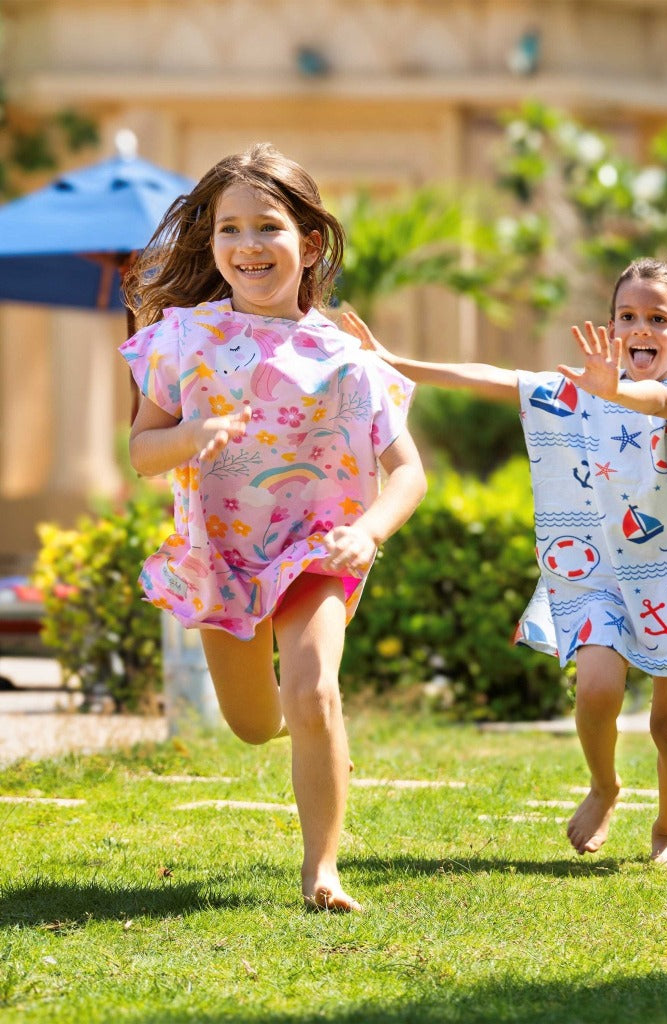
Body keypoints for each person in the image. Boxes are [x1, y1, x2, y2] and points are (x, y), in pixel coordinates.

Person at [344, 257, 667, 864]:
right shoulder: (577, 391)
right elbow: (494, 377)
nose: (640, 329)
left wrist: (618, 390)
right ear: (610, 325)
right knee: (597, 687)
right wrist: (395, 362)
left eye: (658, 318)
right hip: (598, 574)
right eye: (627, 316)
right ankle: (604, 785)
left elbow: (665, 406)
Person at [119, 144, 426, 911]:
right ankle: (303, 735)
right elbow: (140, 454)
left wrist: (371, 533)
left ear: (309, 242)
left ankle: (322, 870)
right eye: (229, 230)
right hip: (220, 551)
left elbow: (409, 472)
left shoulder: (348, 358)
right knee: (257, 725)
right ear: (212, 243)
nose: (248, 246)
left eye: (268, 227)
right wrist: (190, 437)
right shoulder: (182, 340)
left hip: (318, 548)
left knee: (316, 690)